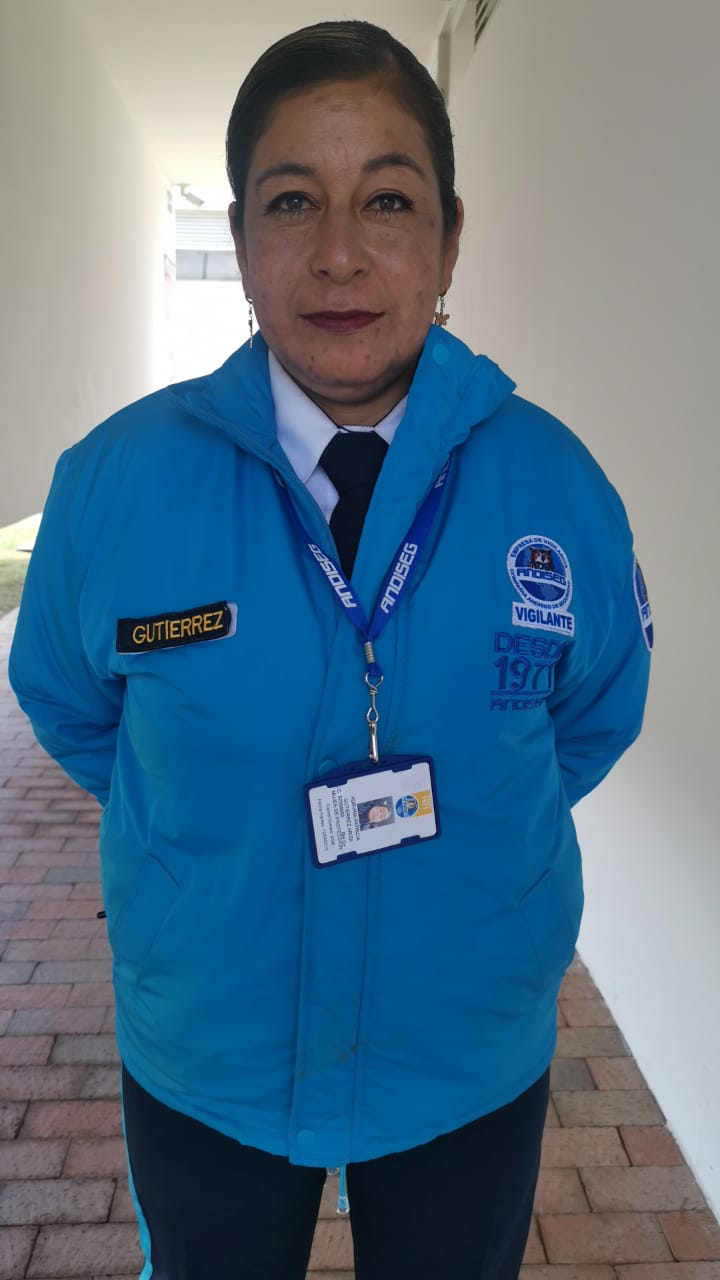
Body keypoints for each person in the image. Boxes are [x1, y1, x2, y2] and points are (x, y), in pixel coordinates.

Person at [8, 19, 652, 1280]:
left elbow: (592, 715)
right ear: (243, 237)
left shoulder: (558, 486)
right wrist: (205, 831)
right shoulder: (114, 485)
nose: (341, 253)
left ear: (450, 238)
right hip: (210, 1042)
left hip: (464, 1043)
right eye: (293, 200)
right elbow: (75, 709)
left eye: (389, 200)